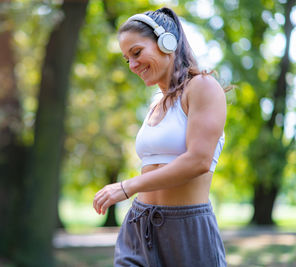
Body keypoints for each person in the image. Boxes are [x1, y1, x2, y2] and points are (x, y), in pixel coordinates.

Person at [93, 6, 227, 267]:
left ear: (167, 42)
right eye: (126, 58)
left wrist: (127, 187)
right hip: (139, 224)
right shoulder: (156, 104)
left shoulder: (203, 88)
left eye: (137, 52)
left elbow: (199, 160)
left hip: (186, 229)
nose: (132, 65)